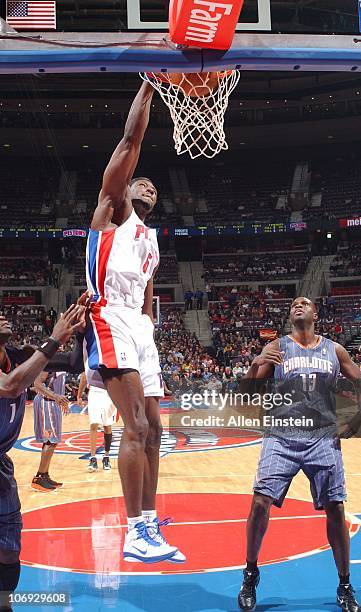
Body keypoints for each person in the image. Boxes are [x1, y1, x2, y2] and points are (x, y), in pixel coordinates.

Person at [84, 80, 182, 564]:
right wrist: (150, 87)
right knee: (136, 425)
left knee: (157, 428)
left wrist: (148, 330)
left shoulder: (151, 240)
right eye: (142, 181)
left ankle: (150, 520)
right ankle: (134, 530)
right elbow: (130, 142)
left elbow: (148, 298)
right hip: (108, 316)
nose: (147, 185)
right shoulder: (113, 209)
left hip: (140, 328)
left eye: (153, 187)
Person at [237, 296, 361, 612]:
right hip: (281, 436)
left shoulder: (334, 350)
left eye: (305, 302)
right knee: (259, 502)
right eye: (294, 303)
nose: (298, 305)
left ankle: (345, 585)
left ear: (315, 313)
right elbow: (245, 395)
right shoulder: (278, 348)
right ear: (290, 315)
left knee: (336, 508)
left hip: (322, 437)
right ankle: (250, 573)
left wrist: (359, 415)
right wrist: (257, 362)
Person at [0, 303, 86, 611]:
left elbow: (75, 364)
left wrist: (82, 333)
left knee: (9, 549)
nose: (3, 315)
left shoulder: (21, 354)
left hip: (1, 466)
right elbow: (9, 386)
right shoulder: (20, 365)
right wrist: (54, 339)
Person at [31, 370, 69, 491]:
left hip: (53, 403)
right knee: (50, 440)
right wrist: (55, 396)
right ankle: (39, 477)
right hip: (46, 403)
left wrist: (61, 400)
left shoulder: (59, 361)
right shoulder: (49, 362)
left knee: (53, 441)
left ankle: (45, 475)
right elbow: (37, 383)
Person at [78, 368, 116, 472]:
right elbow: (84, 376)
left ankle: (106, 457)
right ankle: (93, 458)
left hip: (110, 391)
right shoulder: (90, 356)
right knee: (93, 424)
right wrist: (79, 394)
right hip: (94, 391)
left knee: (107, 426)